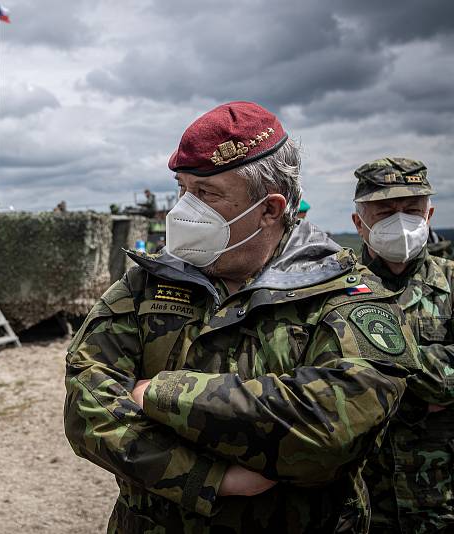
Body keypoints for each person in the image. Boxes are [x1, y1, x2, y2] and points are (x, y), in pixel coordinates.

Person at [64, 101, 420, 533]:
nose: (183, 210)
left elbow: (331, 427)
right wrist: (211, 480)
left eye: (206, 194)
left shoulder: (344, 295)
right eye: (182, 189)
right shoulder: (147, 284)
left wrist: (159, 394)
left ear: (269, 209)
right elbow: (88, 404)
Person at [350, 157, 454, 534]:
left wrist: (375, 361)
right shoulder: (335, 290)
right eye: (386, 212)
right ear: (359, 224)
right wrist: (427, 381)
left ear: (429, 216)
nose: (402, 223)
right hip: (361, 503)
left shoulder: (450, 283)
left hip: (440, 500)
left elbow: (356, 378)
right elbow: (327, 387)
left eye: (412, 210)